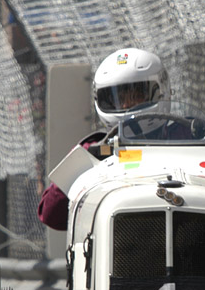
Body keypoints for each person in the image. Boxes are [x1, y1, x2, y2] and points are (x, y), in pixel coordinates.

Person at [37, 47, 171, 231]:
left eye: (136, 97)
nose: (126, 105)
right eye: (118, 98)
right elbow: (50, 213)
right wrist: (85, 162)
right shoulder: (94, 149)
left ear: (161, 90)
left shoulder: (189, 136)